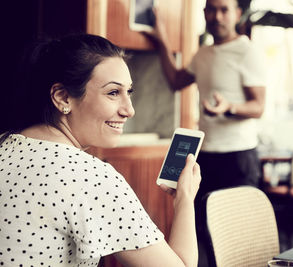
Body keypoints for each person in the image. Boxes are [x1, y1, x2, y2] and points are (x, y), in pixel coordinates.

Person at [0, 34, 201, 267]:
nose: (129, 110)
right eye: (113, 93)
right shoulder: (89, 176)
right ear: (62, 97)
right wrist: (185, 198)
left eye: (129, 92)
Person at [147, 0, 267, 230]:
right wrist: (162, 40)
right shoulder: (202, 53)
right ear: (204, 13)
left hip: (238, 159)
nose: (217, 16)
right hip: (205, 156)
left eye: (224, 10)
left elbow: (259, 107)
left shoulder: (247, 51)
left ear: (237, 14)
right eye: (212, 9)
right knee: (204, 232)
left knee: (235, 234)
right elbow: (176, 81)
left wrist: (229, 107)